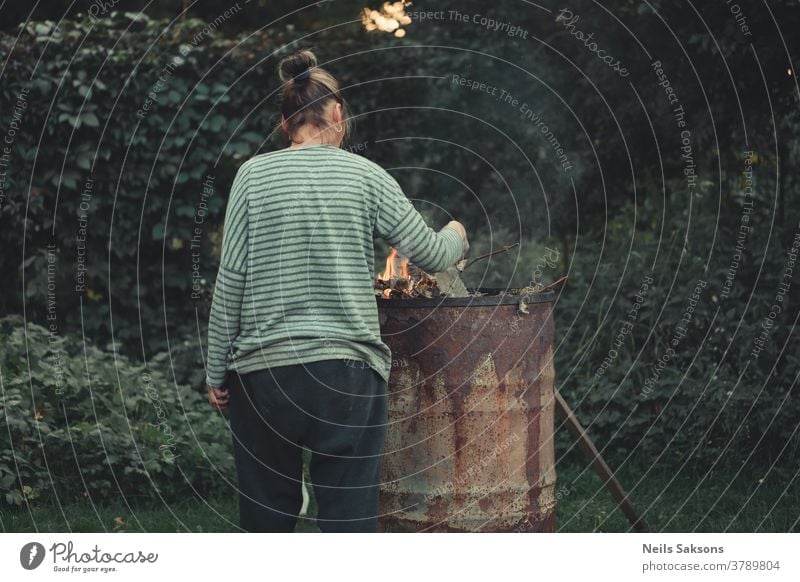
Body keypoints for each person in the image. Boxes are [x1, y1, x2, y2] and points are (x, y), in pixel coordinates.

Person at [204, 49, 469, 533]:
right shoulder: (365, 176)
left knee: (266, 523)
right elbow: (431, 254)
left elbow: (232, 278)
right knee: (348, 525)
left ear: (286, 124)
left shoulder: (251, 176)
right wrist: (457, 232)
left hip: (263, 377)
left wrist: (217, 369)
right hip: (346, 375)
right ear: (337, 114)